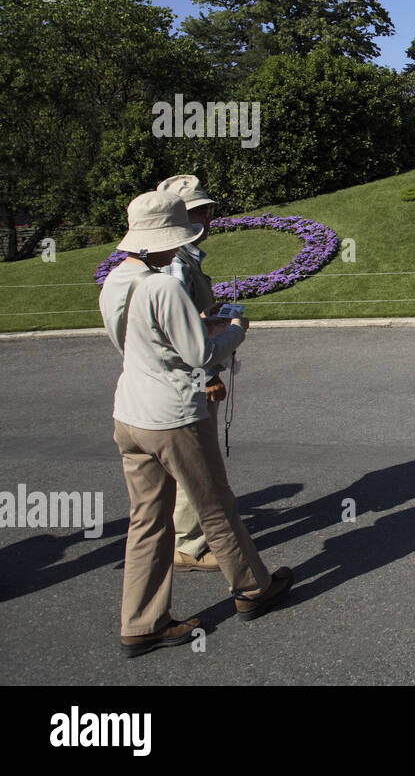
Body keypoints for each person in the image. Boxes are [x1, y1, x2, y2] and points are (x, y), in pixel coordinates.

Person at [98, 191, 292, 657]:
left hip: (129, 410)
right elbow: (200, 354)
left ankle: (141, 620)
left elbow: (139, 342)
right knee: (215, 505)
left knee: (146, 518)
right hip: (172, 415)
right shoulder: (162, 284)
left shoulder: (116, 281)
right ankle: (251, 587)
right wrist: (237, 330)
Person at [155, 174, 229, 569]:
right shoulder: (176, 265)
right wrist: (209, 374)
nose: (208, 220)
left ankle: (189, 534)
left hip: (176, 376)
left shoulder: (182, 258)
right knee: (193, 459)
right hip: (187, 379)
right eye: (199, 212)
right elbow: (177, 333)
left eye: (208, 211)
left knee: (189, 460)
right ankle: (190, 544)